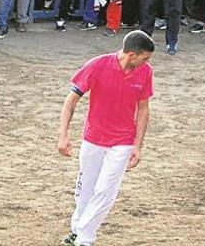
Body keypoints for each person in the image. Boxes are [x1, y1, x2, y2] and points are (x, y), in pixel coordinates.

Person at [57, 31, 154, 246]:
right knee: (85, 190)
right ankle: (78, 230)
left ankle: (84, 238)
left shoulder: (145, 71)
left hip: (122, 142)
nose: (147, 63)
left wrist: (138, 145)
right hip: (93, 139)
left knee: (106, 191)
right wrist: (63, 135)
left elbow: (143, 109)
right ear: (131, 55)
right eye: (145, 58)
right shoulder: (97, 66)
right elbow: (71, 101)